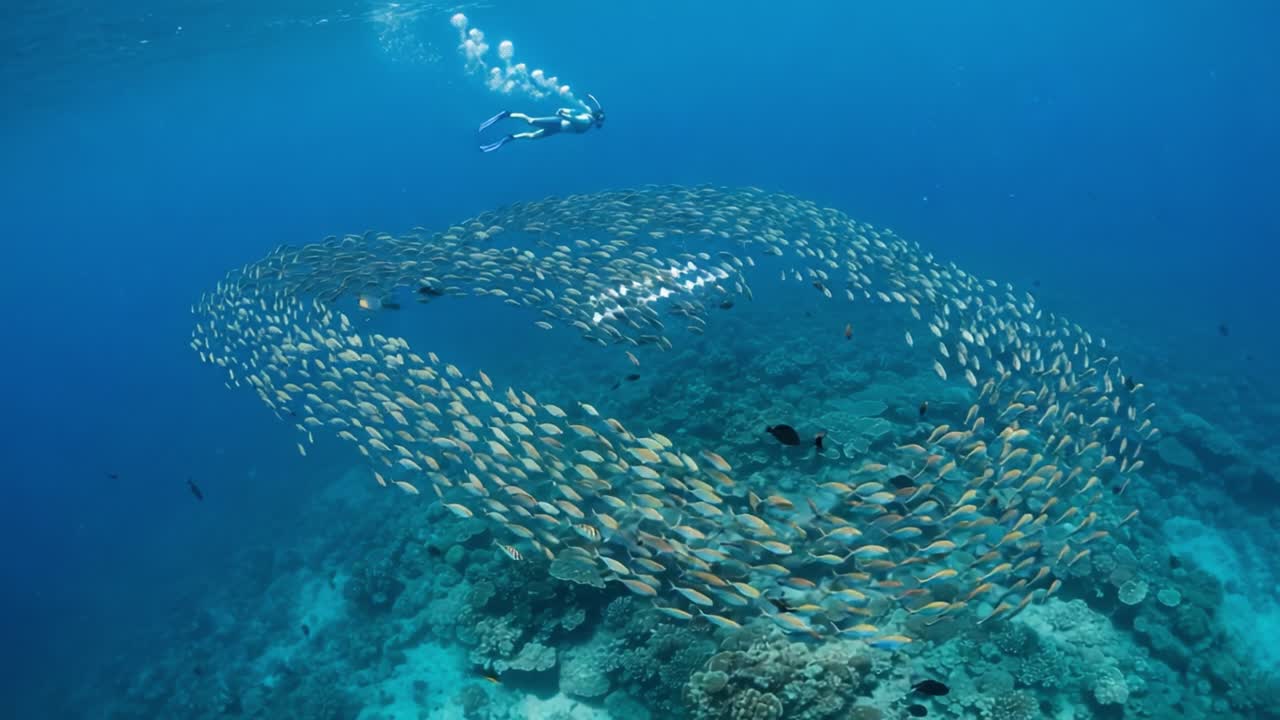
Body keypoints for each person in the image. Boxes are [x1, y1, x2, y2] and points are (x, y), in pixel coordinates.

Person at [478, 94, 605, 152]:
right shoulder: (587, 121)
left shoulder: (585, 115)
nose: (599, 124)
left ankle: (510, 137)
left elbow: (571, 112)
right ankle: (506, 114)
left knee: (533, 136)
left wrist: (563, 111)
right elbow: (574, 119)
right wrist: (563, 114)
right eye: (600, 121)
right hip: (558, 123)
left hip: (557, 129)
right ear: (597, 119)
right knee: (531, 121)